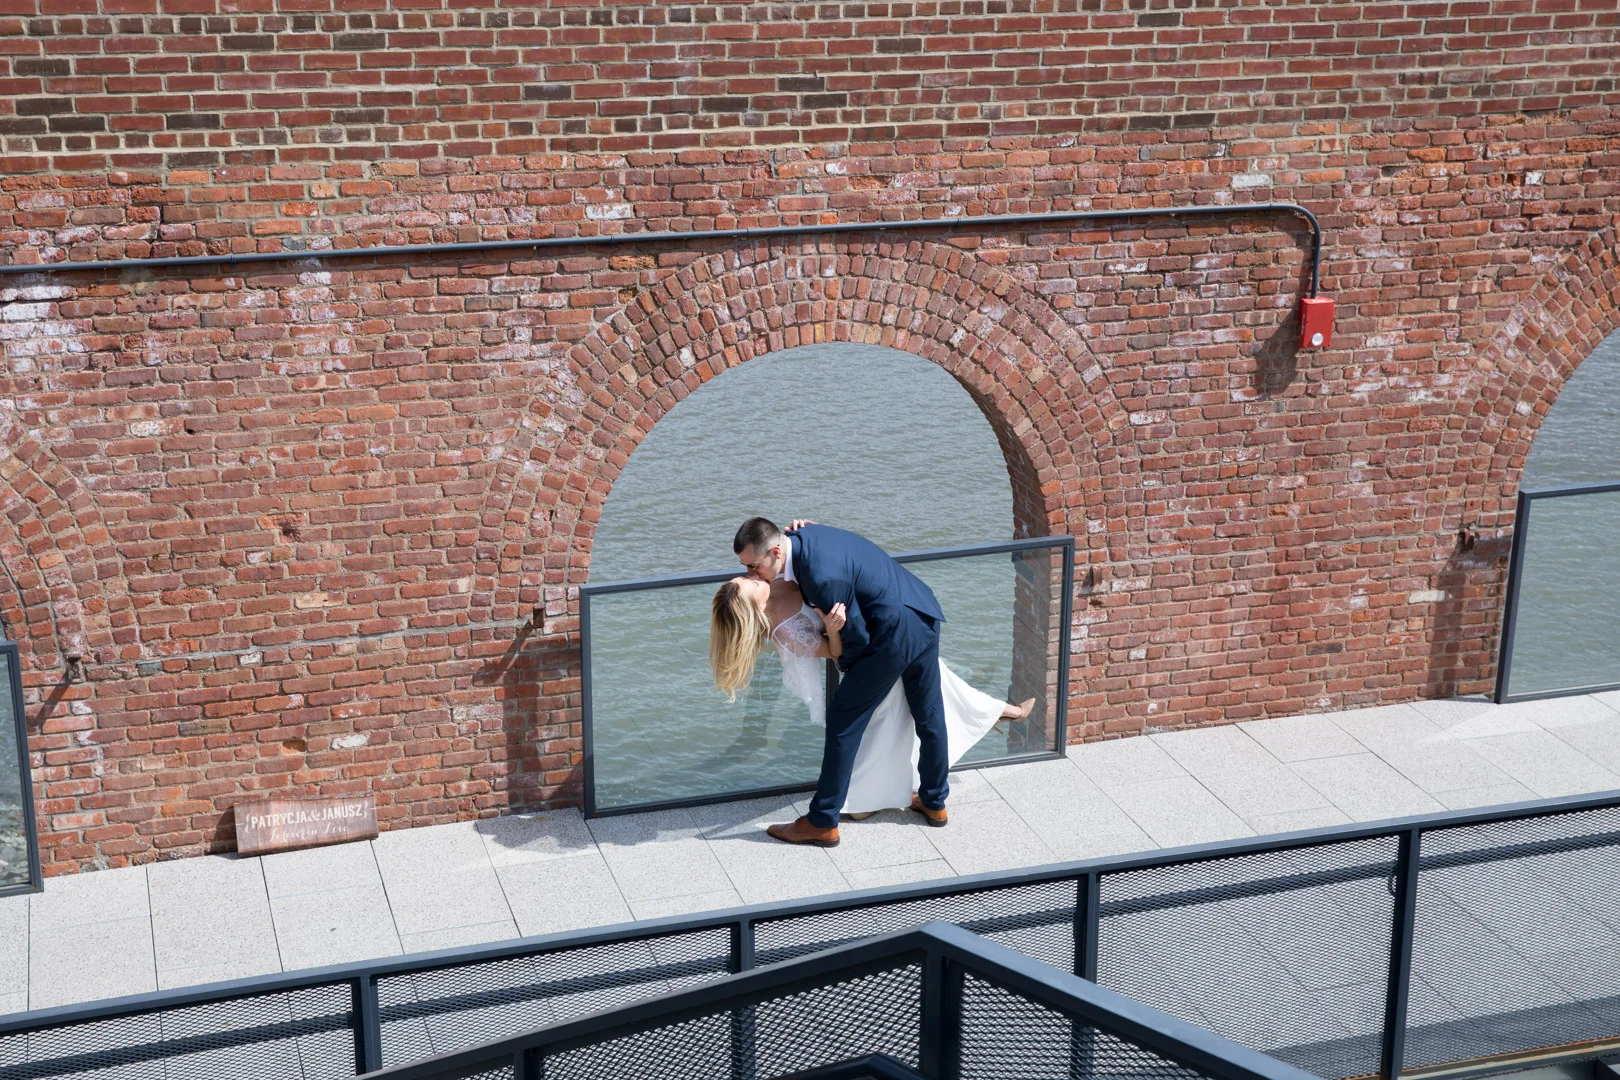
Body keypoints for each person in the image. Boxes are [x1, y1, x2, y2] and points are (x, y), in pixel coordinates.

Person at [717, 517, 1034, 847]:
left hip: (894, 636)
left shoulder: (820, 579)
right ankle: (934, 801)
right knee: (929, 714)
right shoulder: (805, 534)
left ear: (775, 552)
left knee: (842, 721)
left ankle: (822, 822)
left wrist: (849, 667)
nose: (753, 573)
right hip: (922, 613)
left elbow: (857, 636)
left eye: (754, 566)